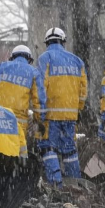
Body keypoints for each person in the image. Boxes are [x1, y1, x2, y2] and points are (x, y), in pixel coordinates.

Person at [36, 27, 87, 184]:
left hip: (51, 115)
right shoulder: (77, 61)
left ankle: (55, 186)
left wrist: (40, 115)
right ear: (63, 42)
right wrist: (78, 110)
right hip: (70, 115)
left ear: (47, 43)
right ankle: (76, 185)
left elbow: (41, 87)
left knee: (47, 148)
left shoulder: (45, 58)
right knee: (69, 151)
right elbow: (83, 90)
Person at [0, 45, 46, 140]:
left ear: (12, 57)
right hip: (18, 122)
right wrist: (39, 120)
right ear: (29, 59)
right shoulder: (33, 72)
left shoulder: (0, 67)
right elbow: (39, 101)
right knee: (17, 151)